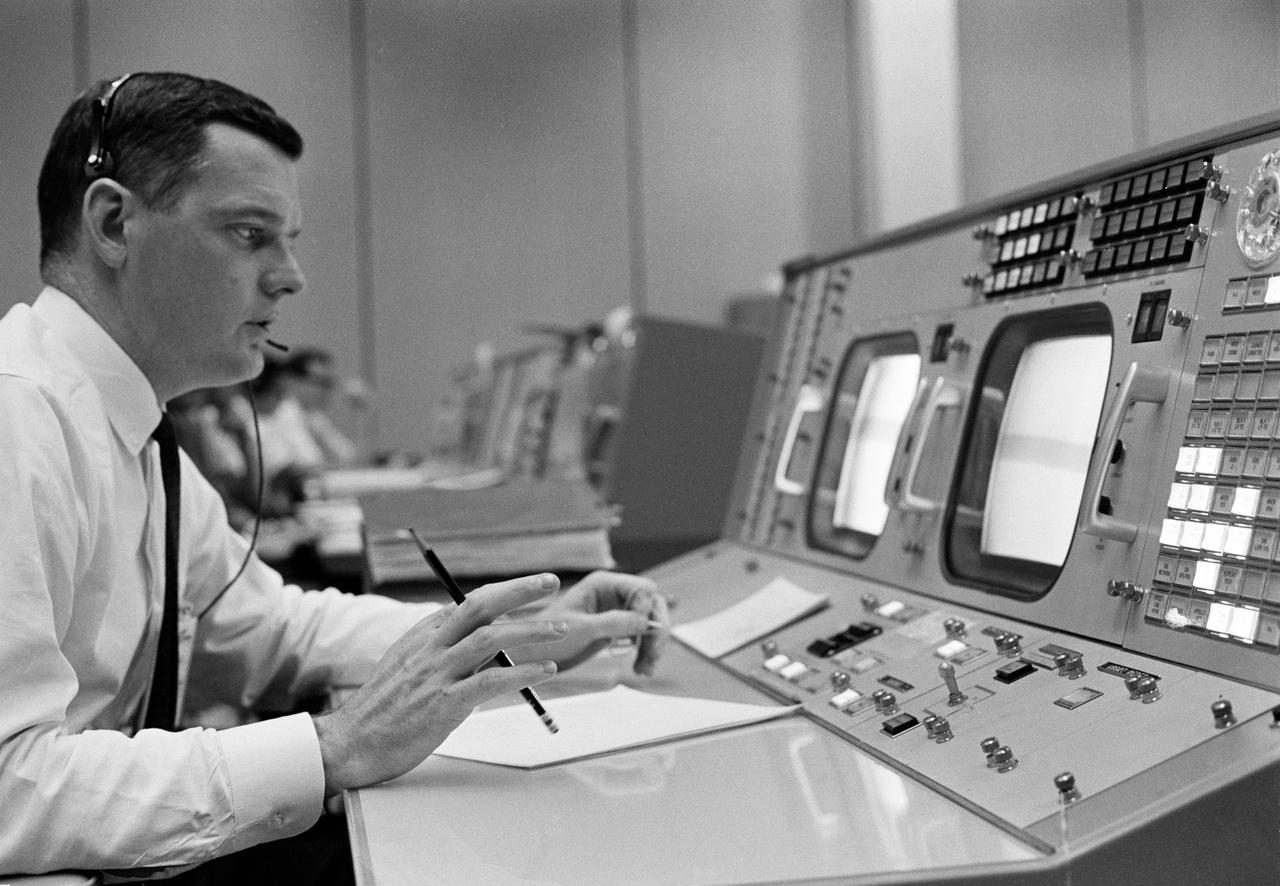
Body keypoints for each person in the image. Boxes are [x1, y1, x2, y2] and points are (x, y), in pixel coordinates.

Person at [0, 71, 670, 881]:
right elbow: (10, 792)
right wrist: (332, 748)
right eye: (250, 235)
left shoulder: (131, 430)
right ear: (113, 222)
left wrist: (516, 638)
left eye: (290, 241)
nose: (290, 276)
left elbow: (272, 628)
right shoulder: (19, 421)